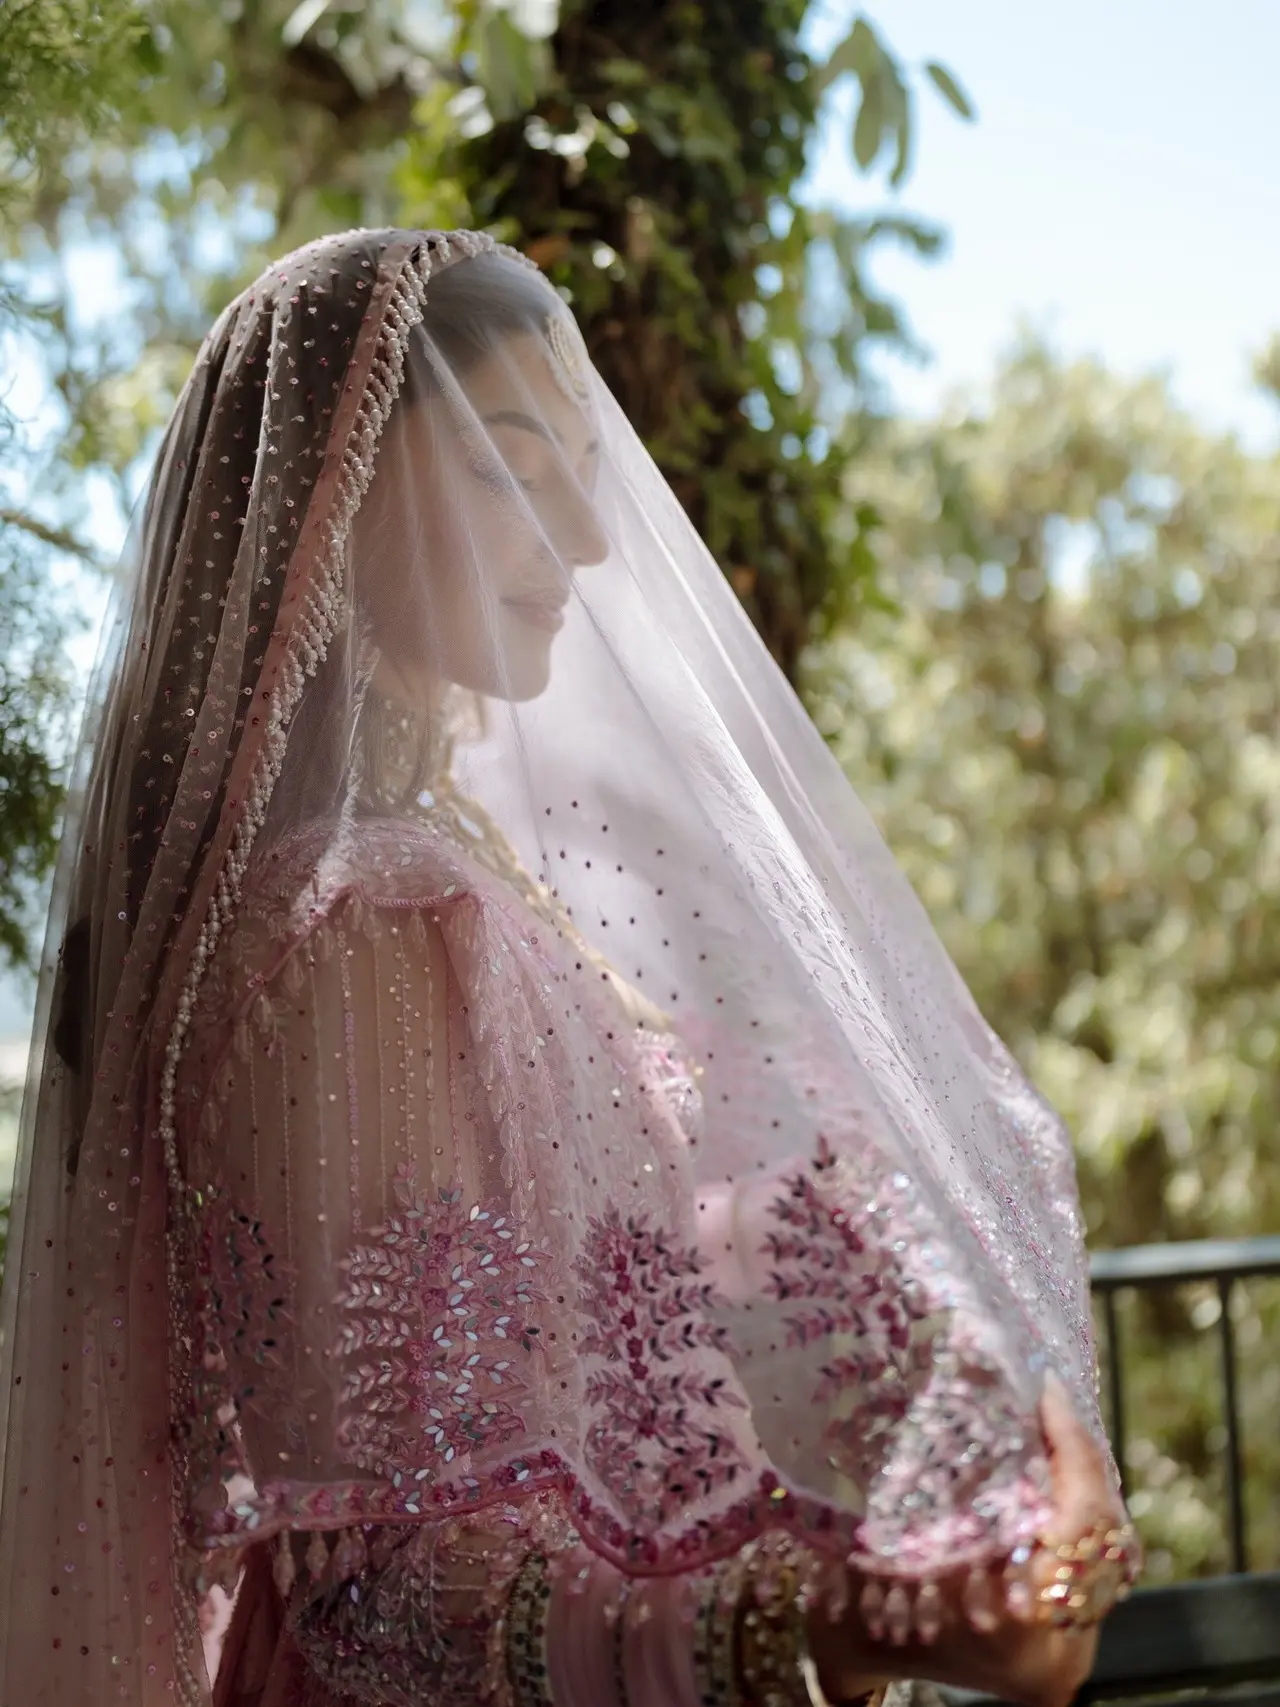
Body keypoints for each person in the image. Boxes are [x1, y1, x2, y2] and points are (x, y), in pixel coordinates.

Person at [0, 228, 1137, 1707]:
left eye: (578, 474)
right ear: (329, 496)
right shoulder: (357, 926)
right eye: (506, 466)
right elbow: (394, 1588)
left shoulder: (407, 890)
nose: (588, 542)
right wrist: (839, 1621)